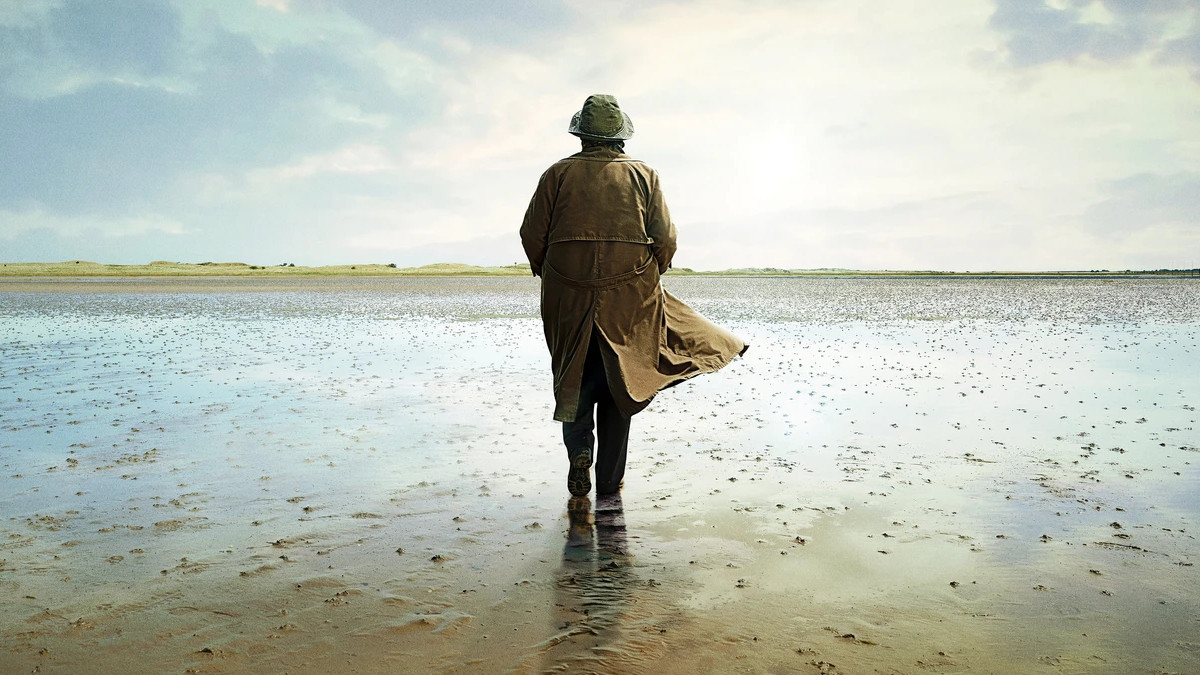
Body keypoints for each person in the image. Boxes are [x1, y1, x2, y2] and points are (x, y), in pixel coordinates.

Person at [520, 94, 747, 497]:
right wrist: (643, 280)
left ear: (582, 136)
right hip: (629, 296)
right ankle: (609, 481)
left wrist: (554, 275)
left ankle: (579, 451)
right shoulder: (645, 175)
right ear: (620, 137)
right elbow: (665, 239)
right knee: (620, 381)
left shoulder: (555, 174)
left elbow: (531, 235)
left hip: (566, 296)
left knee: (574, 375)